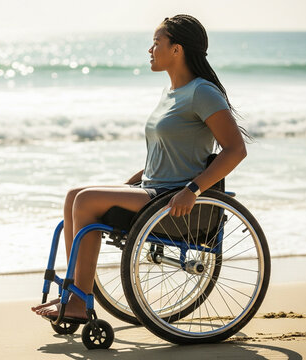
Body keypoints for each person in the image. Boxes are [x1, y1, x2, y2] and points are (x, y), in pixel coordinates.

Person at [33, 14, 248, 321]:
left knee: (85, 201)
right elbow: (167, 152)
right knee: (74, 195)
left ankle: (80, 301)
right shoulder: (170, 93)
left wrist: (192, 190)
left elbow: (235, 150)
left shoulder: (202, 92)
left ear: (177, 49)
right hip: (152, 187)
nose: (150, 50)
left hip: (172, 197)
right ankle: (73, 294)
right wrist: (130, 182)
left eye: (156, 43)